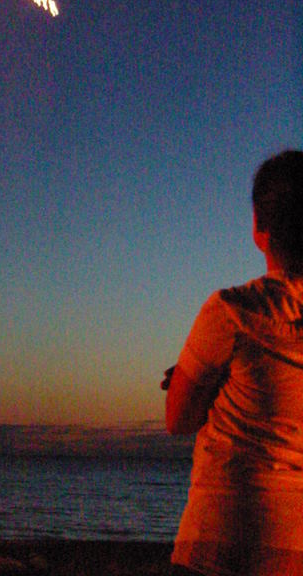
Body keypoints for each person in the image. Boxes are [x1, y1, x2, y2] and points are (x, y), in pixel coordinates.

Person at [164, 149, 303, 575]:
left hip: (217, 541)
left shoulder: (231, 312)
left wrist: (200, 383)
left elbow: (179, 420)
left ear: (259, 227)